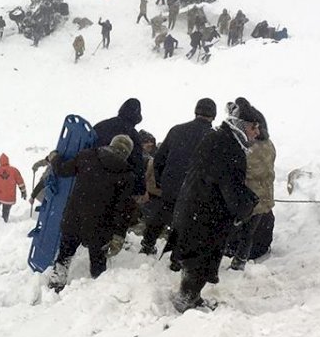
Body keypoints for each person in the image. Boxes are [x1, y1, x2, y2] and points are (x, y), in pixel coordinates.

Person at [164, 100, 261, 313]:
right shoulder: (227, 145)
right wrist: (245, 205)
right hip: (204, 213)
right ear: (241, 125)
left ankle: (191, 296)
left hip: (199, 209)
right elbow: (228, 183)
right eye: (254, 127)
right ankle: (186, 300)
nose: (257, 132)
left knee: (198, 257)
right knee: (199, 259)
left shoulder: (220, 138)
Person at [47, 135, 136, 292]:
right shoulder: (126, 175)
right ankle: (96, 293)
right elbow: (123, 210)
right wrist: (119, 236)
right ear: (127, 153)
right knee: (98, 263)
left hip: (74, 218)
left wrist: (54, 158)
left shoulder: (87, 156)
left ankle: (56, 283)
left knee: (65, 254)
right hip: (100, 227)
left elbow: (63, 170)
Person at [140, 98, 216, 257]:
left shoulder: (177, 130)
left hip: (172, 183)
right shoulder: (213, 137)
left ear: (196, 112)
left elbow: (159, 159)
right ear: (213, 116)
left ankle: (148, 244)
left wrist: (162, 180)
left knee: (163, 213)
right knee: (189, 222)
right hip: (196, 188)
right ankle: (177, 257)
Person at [227, 98, 276, 270]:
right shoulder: (269, 145)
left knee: (243, 231)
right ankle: (244, 256)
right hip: (265, 205)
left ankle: (238, 260)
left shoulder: (245, 150)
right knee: (254, 230)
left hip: (247, 205)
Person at [93, 98, 146, 199]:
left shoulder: (101, 125)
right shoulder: (133, 136)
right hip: (113, 186)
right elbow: (137, 164)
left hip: (90, 177)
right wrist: (140, 189)